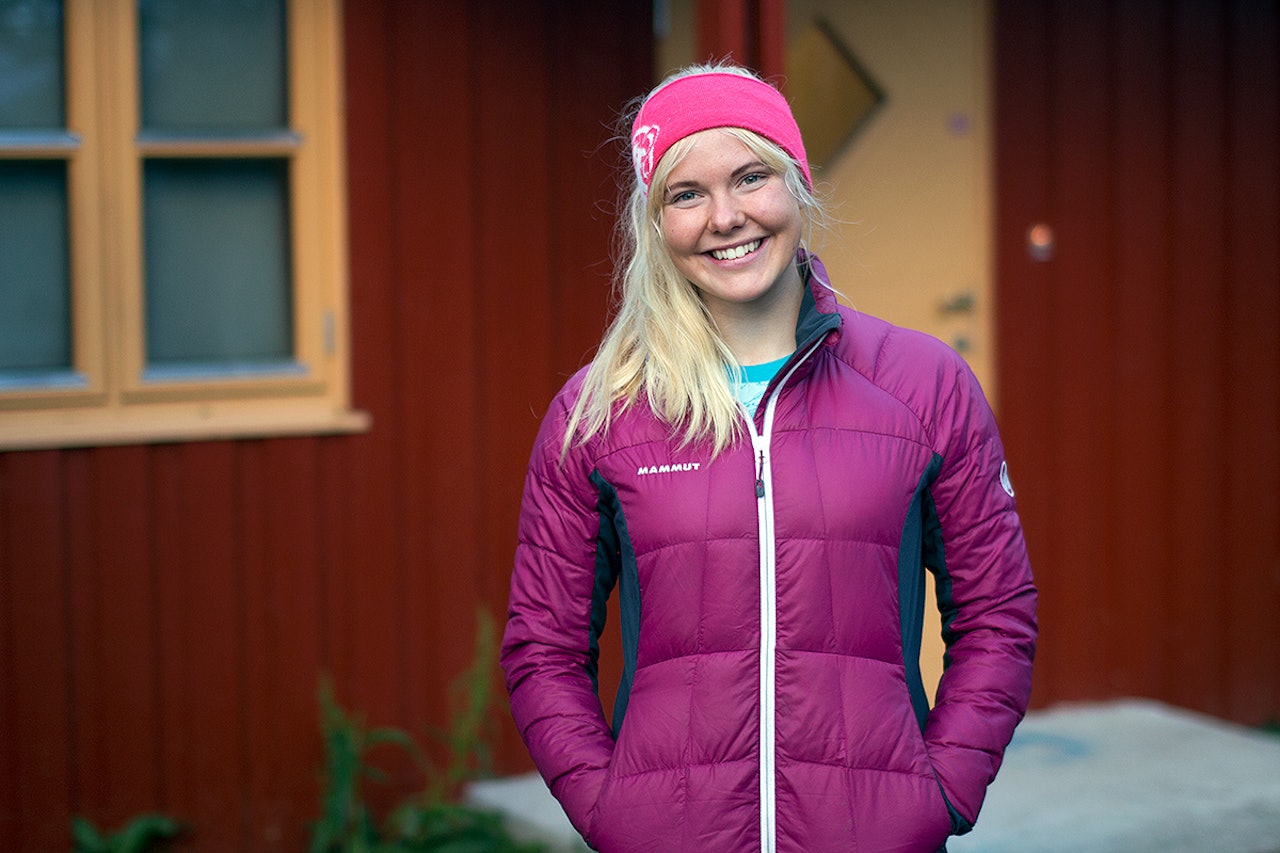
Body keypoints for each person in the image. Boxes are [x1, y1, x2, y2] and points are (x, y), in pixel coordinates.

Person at [500, 62, 1037, 853]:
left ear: (797, 186)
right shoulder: (601, 411)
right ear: (656, 222)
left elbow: (997, 613)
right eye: (687, 194)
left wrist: (939, 791)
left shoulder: (923, 385)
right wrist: (611, 810)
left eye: (751, 176)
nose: (726, 216)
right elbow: (542, 646)